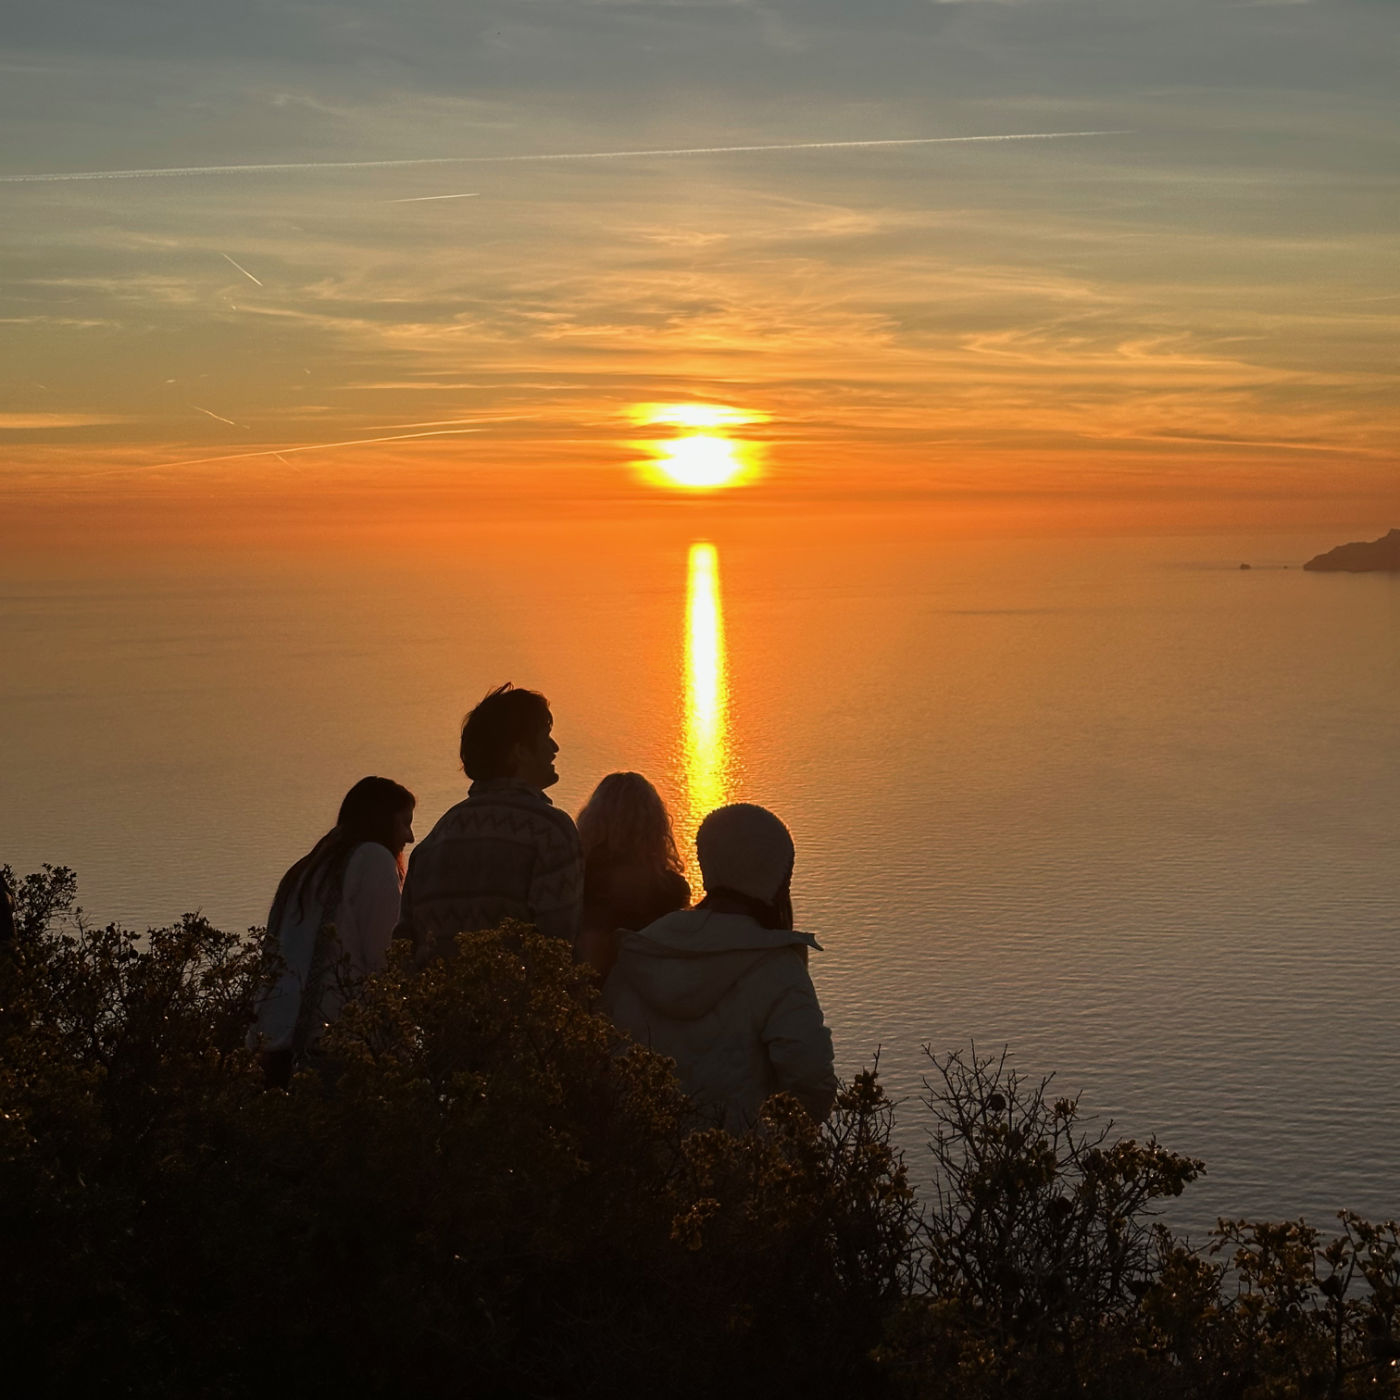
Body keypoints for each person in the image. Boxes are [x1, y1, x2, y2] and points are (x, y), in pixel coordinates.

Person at [603, 802, 837, 1130]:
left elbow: (604, 1055)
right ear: (776, 875)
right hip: (742, 1156)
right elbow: (812, 1084)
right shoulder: (777, 968)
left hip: (639, 1151)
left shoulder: (642, 948)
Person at [395, 683, 583, 962]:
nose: (554, 748)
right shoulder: (550, 832)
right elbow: (559, 947)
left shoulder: (435, 840)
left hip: (442, 991)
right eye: (545, 737)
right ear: (520, 751)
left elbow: (404, 948)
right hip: (517, 990)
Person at [250, 776, 415, 1087]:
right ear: (383, 819)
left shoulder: (305, 868)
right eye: (405, 822)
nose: (410, 836)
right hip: (334, 1040)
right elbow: (383, 959)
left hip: (275, 1037)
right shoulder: (373, 859)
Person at [575, 772, 690, 979]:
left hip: (588, 986)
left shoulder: (578, 878)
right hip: (650, 986)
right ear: (655, 823)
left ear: (592, 819)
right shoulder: (671, 889)